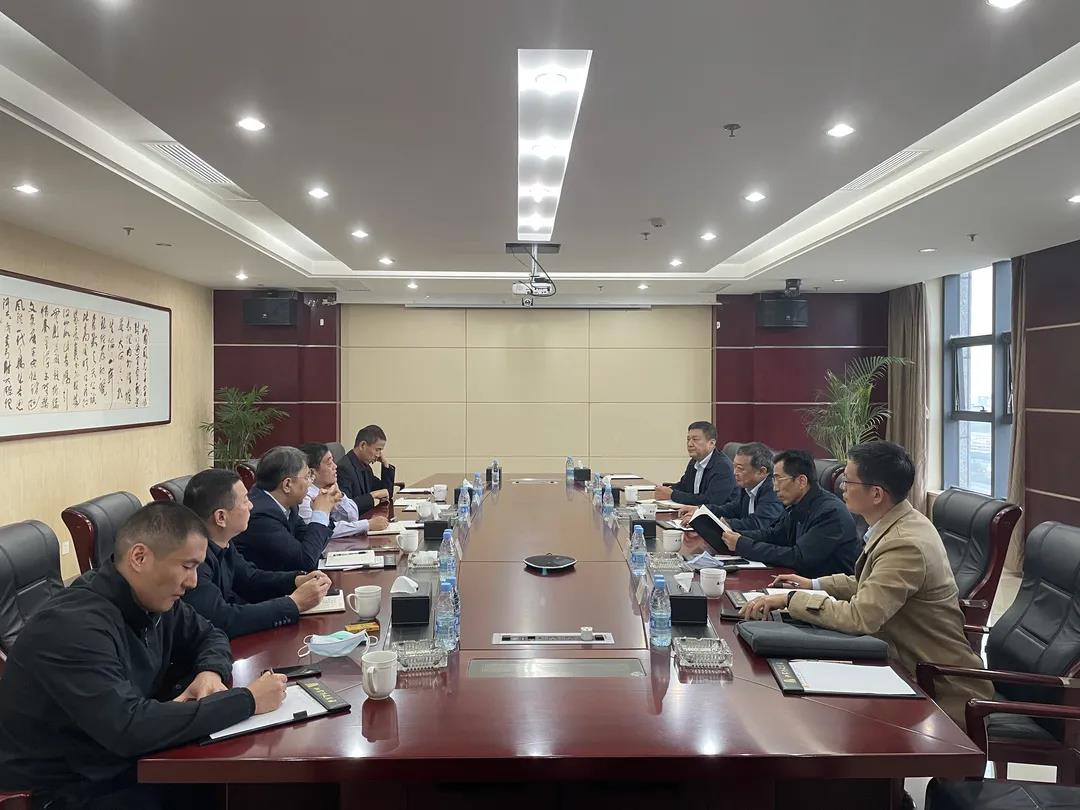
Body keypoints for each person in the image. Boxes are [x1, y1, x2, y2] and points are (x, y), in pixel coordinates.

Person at [0, 502, 288, 810]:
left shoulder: (153, 599)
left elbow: (211, 634)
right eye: (187, 566)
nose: (193, 582)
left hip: (115, 761)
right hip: (66, 788)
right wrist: (248, 701)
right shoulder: (72, 626)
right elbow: (128, 728)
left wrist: (210, 672)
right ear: (139, 557)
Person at [741, 441, 994, 728]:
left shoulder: (905, 544)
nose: (842, 488)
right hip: (900, 665)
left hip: (939, 687)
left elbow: (859, 617)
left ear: (876, 493)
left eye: (849, 481)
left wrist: (791, 600)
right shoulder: (899, 525)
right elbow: (867, 583)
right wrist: (812, 584)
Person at [181, 468, 333, 638]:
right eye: (245, 500)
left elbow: (250, 579)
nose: (251, 506)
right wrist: (294, 603)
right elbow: (222, 619)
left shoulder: (222, 542)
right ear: (221, 517)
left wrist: (296, 580)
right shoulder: (193, 561)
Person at [718, 449, 861, 578]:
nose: (775, 488)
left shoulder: (830, 512)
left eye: (779, 479)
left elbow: (798, 557)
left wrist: (743, 545)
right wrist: (734, 534)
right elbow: (774, 535)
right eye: (773, 480)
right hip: (799, 580)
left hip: (828, 591)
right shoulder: (797, 504)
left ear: (801, 481)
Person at [234, 446, 339, 571]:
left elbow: (311, 546)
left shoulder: (289, 505)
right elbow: (305, 561)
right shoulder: (261, 516)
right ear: (287, 484)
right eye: (307, 477)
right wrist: (320, 512)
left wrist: (325, 511)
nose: (310, 483)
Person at [677, 442, 784, 537]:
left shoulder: (773, 489)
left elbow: (759, 523)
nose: (734, 472)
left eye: (740, 468)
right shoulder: (748, 485)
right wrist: (701, 511)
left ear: (761, 471)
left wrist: (719, 523)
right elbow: (731, 509)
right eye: (734, 466)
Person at [298, 442, 389, 537]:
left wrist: (341, 496)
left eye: (333, 461)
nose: (335, 466)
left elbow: (352, 517)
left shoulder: (326, 489)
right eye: (329, 463)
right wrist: (367, 524)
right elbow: (323, 531)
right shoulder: (304, 497)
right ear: (312, 472)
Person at [652, 421, 736, 506]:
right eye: (688, 439)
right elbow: (684, 486)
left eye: (695, 439)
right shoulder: (694, 461)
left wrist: (672, 494)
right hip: (693, 510)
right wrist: (665, 489)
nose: (689, 444)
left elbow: (710, 501)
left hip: (715, 513)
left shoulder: (723, 466)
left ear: (711, 443)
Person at [336, 425, 395, 513]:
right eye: (377, 450)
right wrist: (372, 495)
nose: (378, 455)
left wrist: (385, 464)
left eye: (380, 451)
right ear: (362, 445)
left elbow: (387, 493)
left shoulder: (365, 466)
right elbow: (346, 508)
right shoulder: (343, 469)